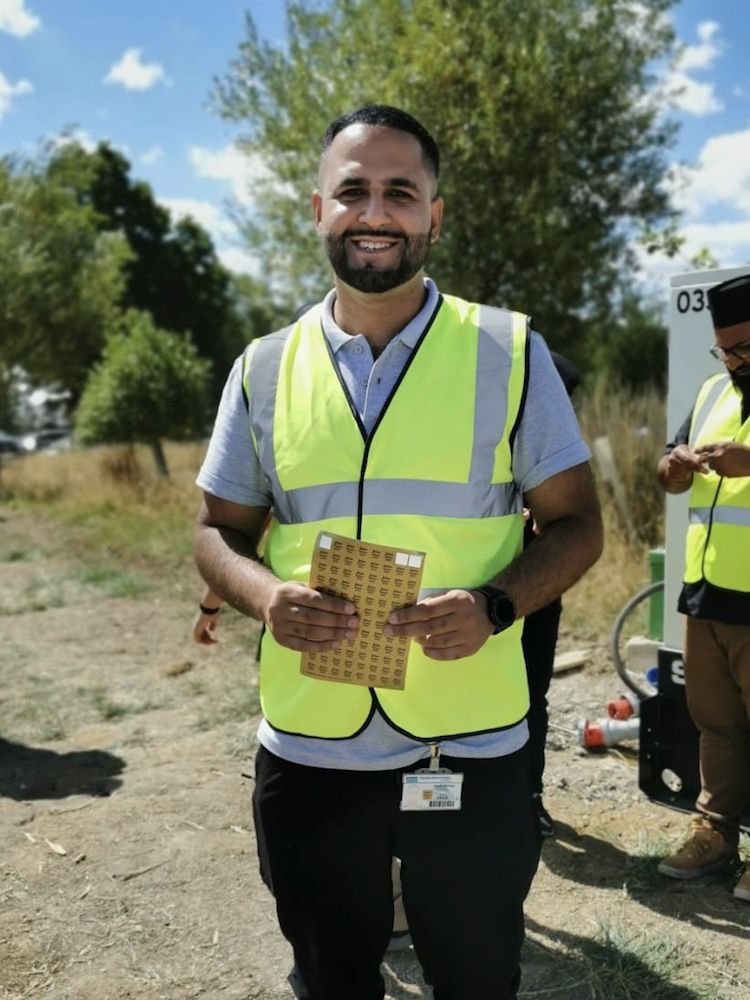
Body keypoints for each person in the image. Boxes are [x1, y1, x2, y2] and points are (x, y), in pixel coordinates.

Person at [193, 103, 603, 1000]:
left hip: (469, 746)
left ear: (434, 215)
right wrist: (264, 596)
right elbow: (216, 530)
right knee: (332, 978)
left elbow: (579, 525)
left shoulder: (510, 351)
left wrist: (495, 605)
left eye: (399, 192)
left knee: (475, 975)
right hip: (311, 749)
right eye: (353, 191)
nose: (374, 212)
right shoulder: (262, 368)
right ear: (317, 209)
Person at [656, 272, 750, 903]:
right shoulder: (714, 387)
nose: (733, 361)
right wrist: (675, 466)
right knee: (714, 723)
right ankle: (716, 834)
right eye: (725, 349)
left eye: (744, 348)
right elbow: (668, 472)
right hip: (706, 591)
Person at [522, 350, 580, 839]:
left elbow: (573, 522)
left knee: (532, 693)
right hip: (472, 587)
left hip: (538, 589)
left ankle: (528, 798)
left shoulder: (562, 440)